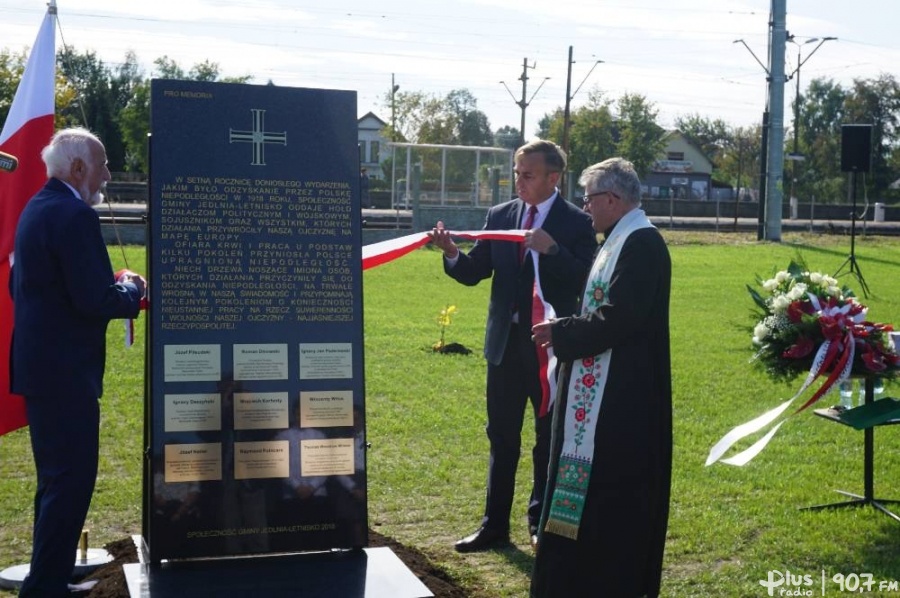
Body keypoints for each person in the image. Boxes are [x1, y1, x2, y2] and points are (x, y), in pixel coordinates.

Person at [429, 139, 597, 552]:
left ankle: (540, 525)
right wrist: (452, 252)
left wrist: (552, 250)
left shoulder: (577, 222)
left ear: (553, 178)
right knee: (501, 438)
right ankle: (493, 527)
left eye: (528, 175)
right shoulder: (500, 215)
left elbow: (587, 280)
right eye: (516, 173)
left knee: (546, 441)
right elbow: (474, 272)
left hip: (551, 351)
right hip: (503, 349)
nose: (518, 182)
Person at [9, 127, 146, 597]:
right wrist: (134, 289)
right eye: (104, 164)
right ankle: (44, 586)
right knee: (70, 480)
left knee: (55, 481)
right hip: (65, 373)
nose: (108, 174)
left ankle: (49, 570)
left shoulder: (37, 207)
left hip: (41, 366)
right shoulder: (73, 215)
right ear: (80, 168)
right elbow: (93, 298)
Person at [530, 157, 672, 597]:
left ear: (612, 199)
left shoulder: (642, 244)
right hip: (603, 391)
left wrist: (563, 332)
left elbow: (620, 318)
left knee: (613, 496)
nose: (585, 208)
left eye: (589, 199)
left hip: (624, 399)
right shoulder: (616, 239)